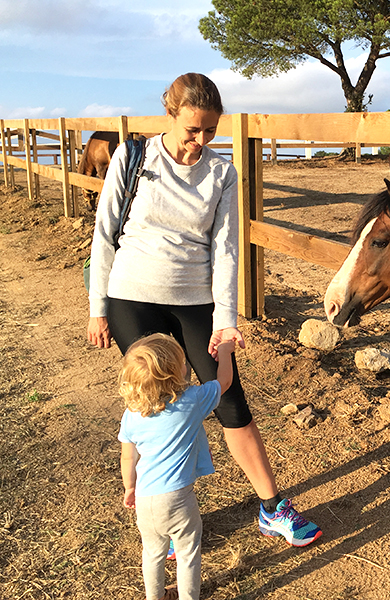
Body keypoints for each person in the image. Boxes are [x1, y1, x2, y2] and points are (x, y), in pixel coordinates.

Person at [87, 73, 321, 548]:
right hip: (132, 294)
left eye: (210, 131)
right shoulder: (133, 158)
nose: (200, 141)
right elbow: (104, 234)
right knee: (156, 404)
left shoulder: (222, 173)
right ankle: (166, 517)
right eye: (192, 129)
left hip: (196, 296)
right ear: (169, 114)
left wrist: (226, 322)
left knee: (229, 397)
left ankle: (273, 508)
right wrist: (98, 308)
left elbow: (226, 250)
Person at [119, 333, 235, 600]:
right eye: (183, 362)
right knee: (187, 553)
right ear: (175, 373)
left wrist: (129, 487)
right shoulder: (191, 401)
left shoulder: (131, 414)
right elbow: (225, 381)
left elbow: (128, 457)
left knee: (152, 553)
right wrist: (226, 351)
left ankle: (155, 597)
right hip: (178, 498)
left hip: (145, 499)